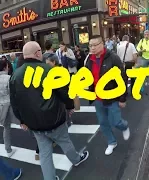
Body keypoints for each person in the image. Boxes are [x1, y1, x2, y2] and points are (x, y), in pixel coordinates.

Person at [9, 41, 89, 180]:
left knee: (45, 153)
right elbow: (64, 92)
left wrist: (21, 120)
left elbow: (14, 102)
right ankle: (76, 159)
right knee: (64, 141)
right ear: (37, 53)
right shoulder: (49, 70)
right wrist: (70, 107)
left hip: (33, 122)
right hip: (54, 118)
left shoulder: (15, 76)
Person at [86, 35, 130, 156]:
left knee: (116, 121)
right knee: (103, 122)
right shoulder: (89, 60)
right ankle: (111, 142)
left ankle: (124, 126)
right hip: (97, 98)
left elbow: (123, 78)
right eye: (90, 45)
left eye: (95, 45)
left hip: (112, 96)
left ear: (102, 44)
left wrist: (122, 98)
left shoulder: (113, 58)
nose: (92, 48)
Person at [0, 60, 19, 158]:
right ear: (5, 67)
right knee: (25, 122)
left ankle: (8, 149)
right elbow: (13, 94)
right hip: (11, 105)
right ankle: (39, 145)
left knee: (6, 128)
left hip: (1, 107)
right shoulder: (9, 78)